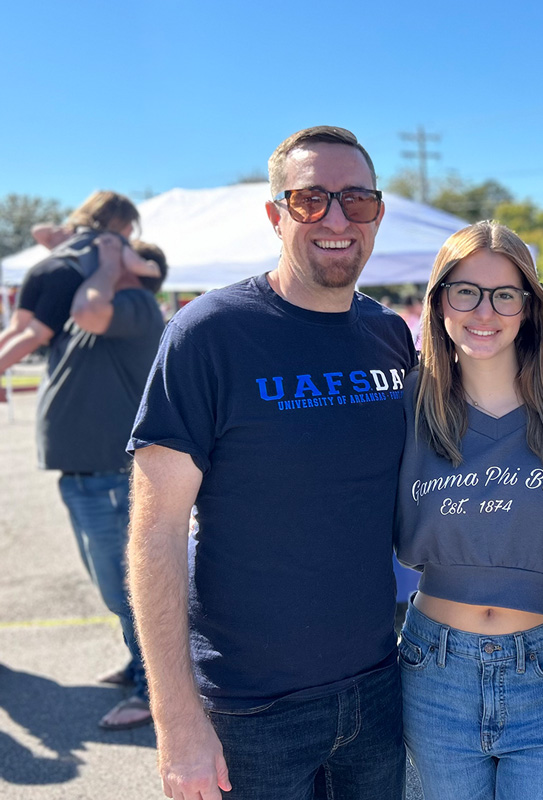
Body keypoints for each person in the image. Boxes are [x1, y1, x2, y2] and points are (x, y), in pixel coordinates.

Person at [126, 126, 415, 800]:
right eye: (311, 199)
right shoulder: (209, 334)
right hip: (247, 709)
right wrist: (176, 719)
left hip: (378, 689)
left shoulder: (387, 334)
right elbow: (155, 531)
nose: (337, 220)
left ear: (377, 213)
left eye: (358, 200)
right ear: (275, 214)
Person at [394, 220, 543, 800]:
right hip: (434, 670)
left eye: (505, 294)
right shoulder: (409, 405)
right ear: (438, 304)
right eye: (466, 292)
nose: (484, 312)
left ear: (531, 307)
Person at [37, 234, 167, 730]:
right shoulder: (109, 298)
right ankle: (140, 665)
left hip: (109, 480)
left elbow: (90, 311)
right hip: (88, 477)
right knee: (115, 590)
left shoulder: (133, 302)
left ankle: (149, 687)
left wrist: (111, 263)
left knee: (128, 590)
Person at [0, 190, 158, 391]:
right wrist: (151, 268)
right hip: (67, 276)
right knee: (35, 334)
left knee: (16, 328)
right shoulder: (113, 241)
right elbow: (135, 265)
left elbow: (38, 232)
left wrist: (68, 226)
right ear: (124, 222)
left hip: (42, 268)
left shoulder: (72, 232)